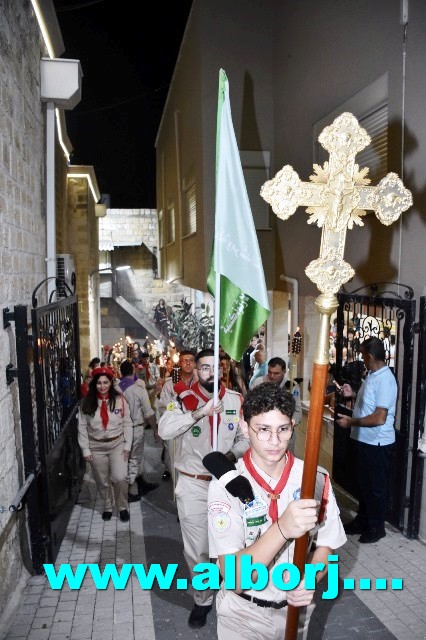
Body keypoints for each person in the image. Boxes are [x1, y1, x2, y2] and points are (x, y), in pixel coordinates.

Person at [208, 383, 346, 640]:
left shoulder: (314, 480)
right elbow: (236, 578)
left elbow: (327, 545)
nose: (274, 441)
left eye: (282, 429)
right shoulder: (226, 485)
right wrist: (283, 528)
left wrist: (311, 578)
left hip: (296, 614)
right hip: (243, 615)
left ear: (293, 426)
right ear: (244, 428)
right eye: (263, 430)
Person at [158, 348, 249, 629]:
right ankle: (202, 599)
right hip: (193, 484)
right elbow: (164, 430)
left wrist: (229, 458)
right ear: (196, 371)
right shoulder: (182, 401)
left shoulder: (234, 401)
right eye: (205, 368)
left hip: (226, 484)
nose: (211, 373)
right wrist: (199, 413)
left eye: (216, 367)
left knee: (232, 543)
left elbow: (244, 440)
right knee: (197, 549)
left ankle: (231, 593)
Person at [336, 336, 397, 543]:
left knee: (375, 488)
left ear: (370, 356)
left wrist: (351, 422)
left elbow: (380, 417)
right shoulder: (373, 375)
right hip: (365, 441)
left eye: (362, 354)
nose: (361, 358)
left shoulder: (386, 380)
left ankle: (376, 527)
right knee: (362, 485)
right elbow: (370, 404)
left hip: (377, 443)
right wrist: (352, 393)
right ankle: (362, 521)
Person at [78, 366, 133, 522]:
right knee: (102, 480)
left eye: (105, 382)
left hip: (117, 444)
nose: (102, 386)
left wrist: (128, 445)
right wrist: (85, 449)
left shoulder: (120, 400)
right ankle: (107, 506)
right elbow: (81, 426)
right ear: (94, 384)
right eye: (99, 383)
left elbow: (127, 423)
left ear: (111, 383)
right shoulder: (86, 403)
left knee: (120, 477)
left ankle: (122, 507)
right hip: (96, 447)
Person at [118, 360, 159, 501]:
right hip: (135, 429)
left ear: (120, 372)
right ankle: (130, 490)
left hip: (118, 430)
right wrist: (155, 430)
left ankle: (139, 481)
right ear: (133, 371)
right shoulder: (138, 389)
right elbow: (149, 412)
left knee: (126, 459)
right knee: (134, 459)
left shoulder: (115, 388)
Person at [157, 349, 198, 480]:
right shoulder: (170, 384)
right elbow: (162, 406)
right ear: (179, 363)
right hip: (176, 427)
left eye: (191, 361)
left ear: (195, 364)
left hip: (196, 426)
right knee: (175, 459)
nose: (188, 364)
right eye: (185, 361)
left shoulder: (200, 383)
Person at [250, 357, 302, 454]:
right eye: (270, 372)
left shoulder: (291, 385)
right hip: (263, 433)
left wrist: (291, 423)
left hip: (285, 434)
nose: (272, 376)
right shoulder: (258, 383)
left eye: (276, 373)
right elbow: (250, 408)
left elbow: (298, 411)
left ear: (284, 371)